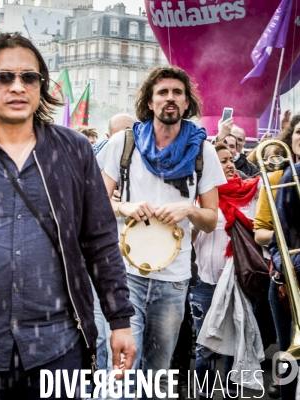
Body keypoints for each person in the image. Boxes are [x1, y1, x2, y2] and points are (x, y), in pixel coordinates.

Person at [0, 32, 135, 400]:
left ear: (41, 87)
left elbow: (100, 242)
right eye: (4, 77)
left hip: (58, 346)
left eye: (29, 77)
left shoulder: (73, 150)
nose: (18, 86)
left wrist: (119, 321)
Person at [97, 66, 225, 399]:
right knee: (120, 370)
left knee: (155, 374)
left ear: (187, 103)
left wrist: (190, 209)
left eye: (177, 93)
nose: (170, 99)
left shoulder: (203, 151)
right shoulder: (123, 143)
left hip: (174, 278)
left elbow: (211, 219)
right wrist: (123, 207)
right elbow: (94, 201)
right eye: (162, 93)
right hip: (124, 274)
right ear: (150, 102)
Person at [191, 142, 261, 399]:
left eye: (231, 159)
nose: (230, 165)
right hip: (205, 285)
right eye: (222, 161)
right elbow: (187, 241)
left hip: (241, 283)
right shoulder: (199, 198)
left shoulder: (252, 194)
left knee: (237, 341)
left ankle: (231, 391)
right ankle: (206, 394)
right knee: (206, 347)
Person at [255, 114, 300, 400]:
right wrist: (286, 255)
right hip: (287, 277)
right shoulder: (276, 177)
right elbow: (262, 231)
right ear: (290, 139)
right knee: (289, 352)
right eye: (298, 132)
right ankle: (286, 393)